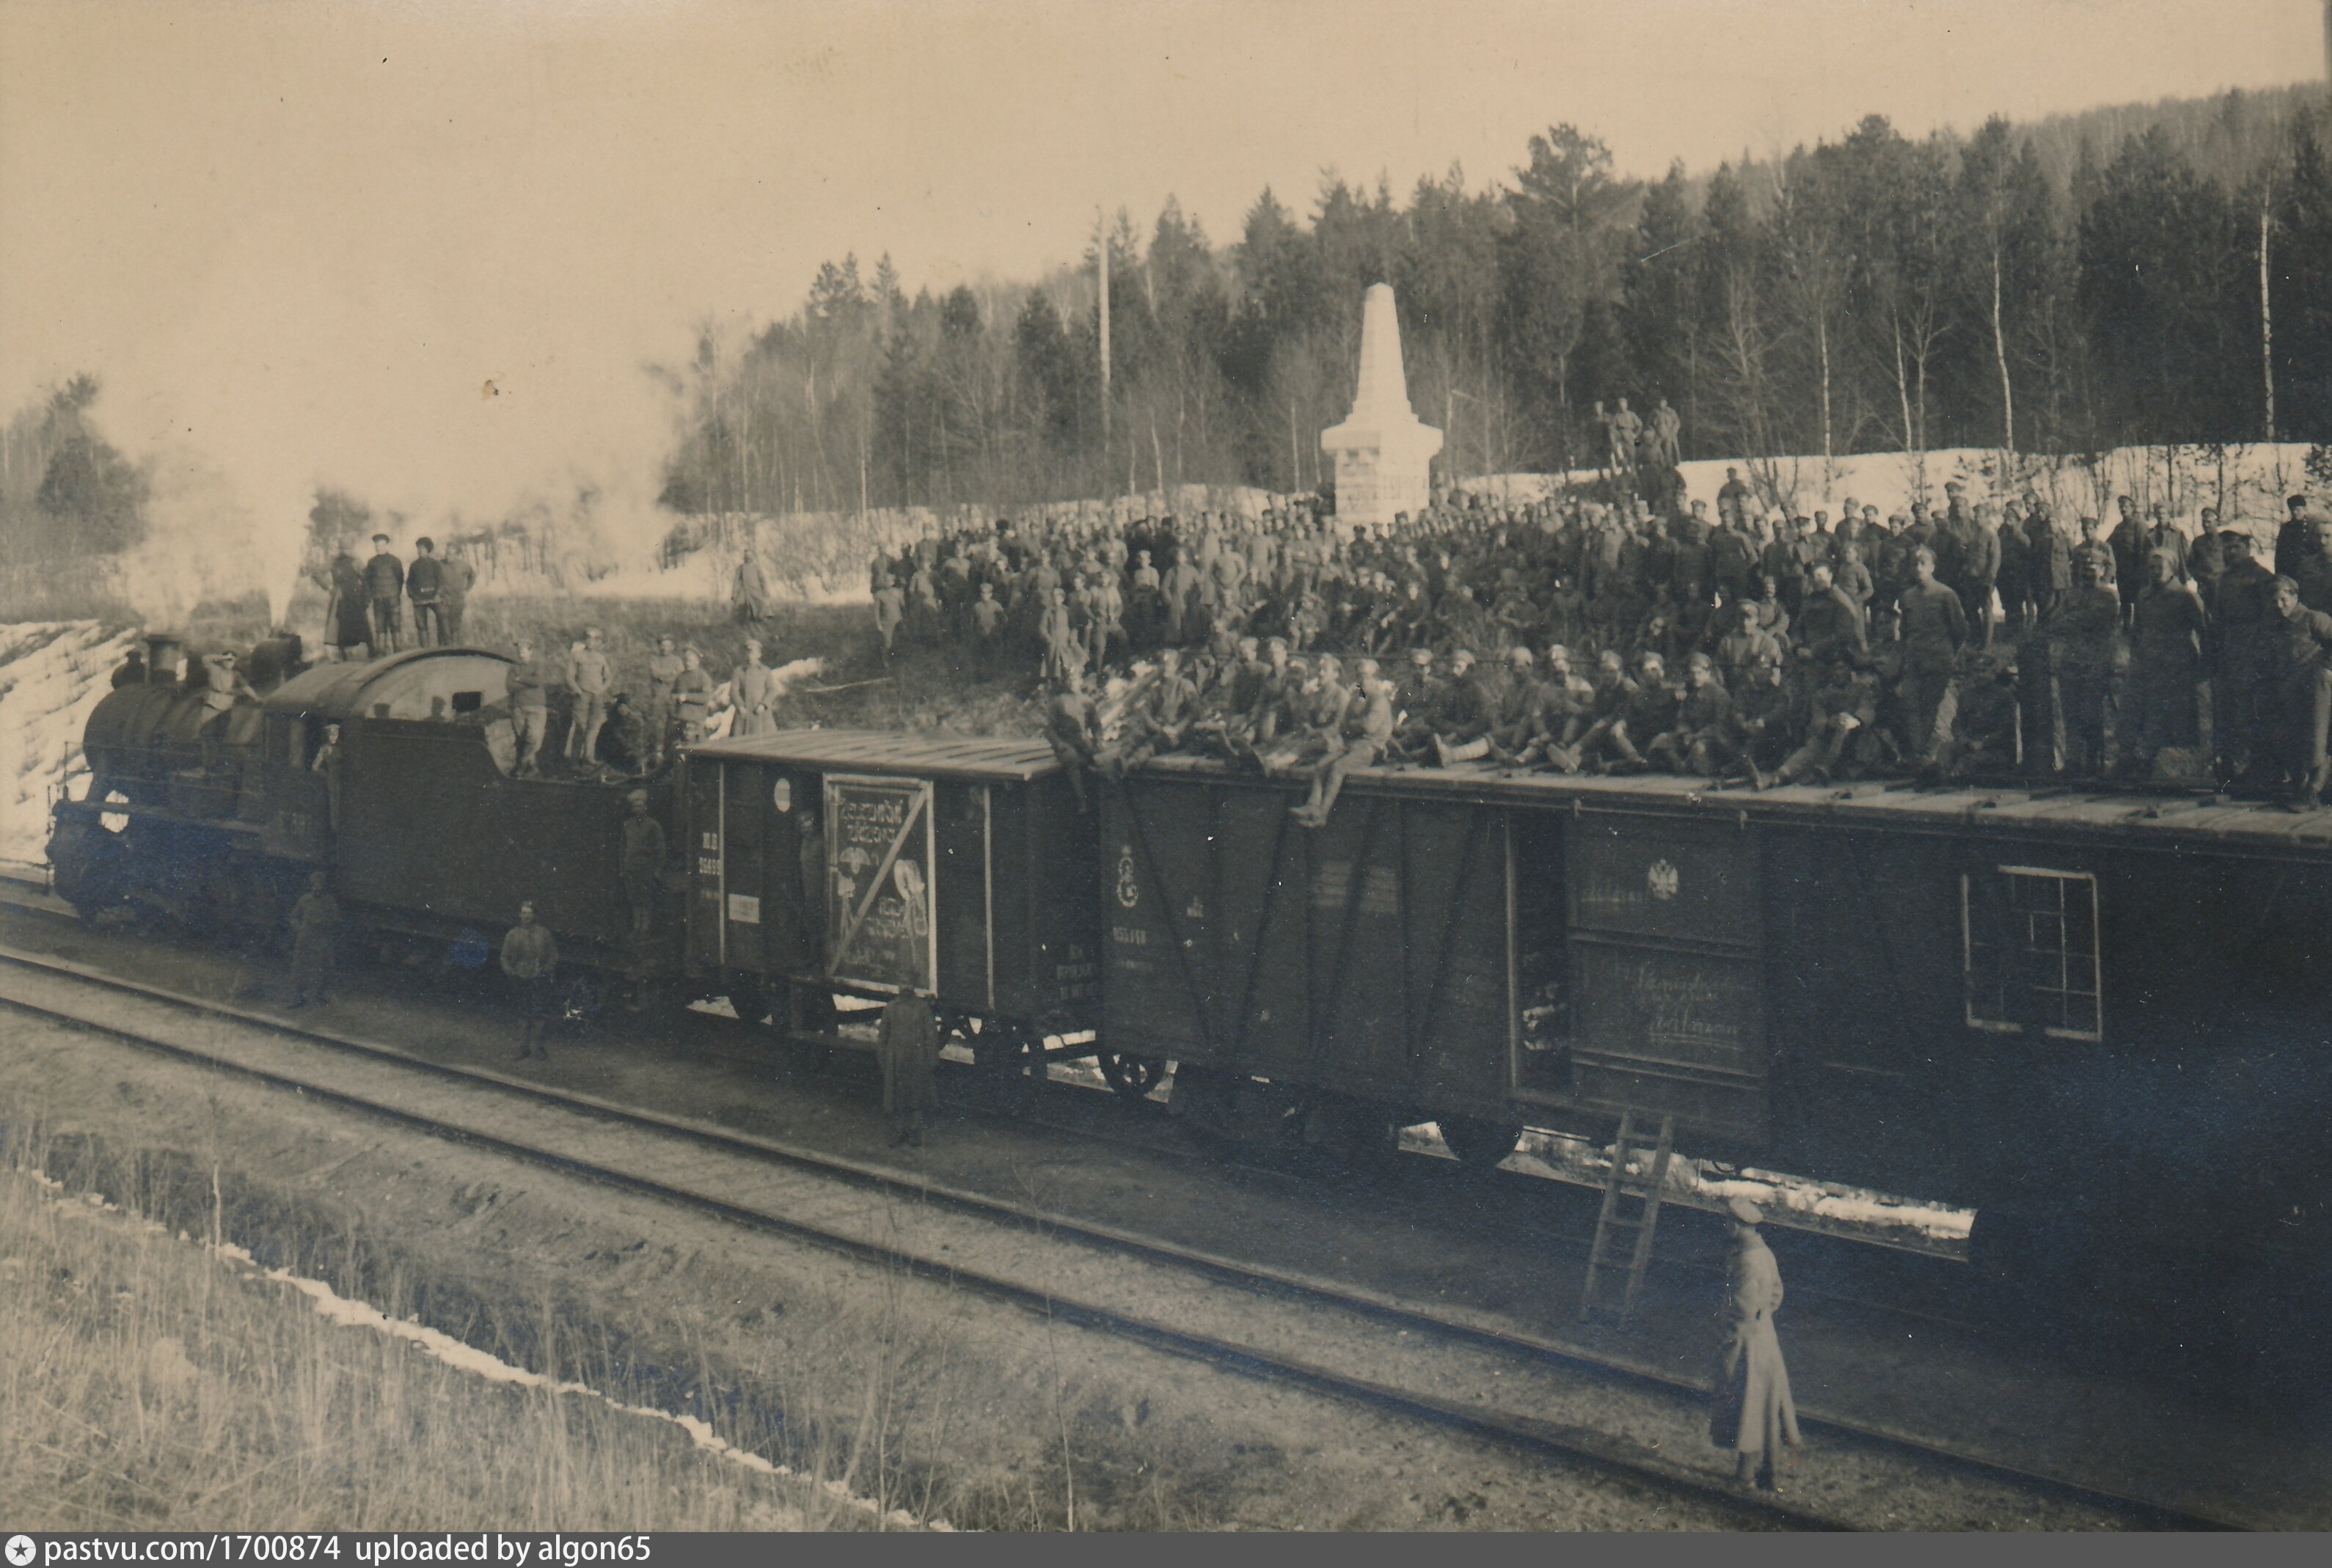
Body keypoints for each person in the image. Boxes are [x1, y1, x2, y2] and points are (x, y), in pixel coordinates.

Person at [1709, 1196, 1802, 1492]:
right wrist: (1764, 1314)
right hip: (1766, 1336)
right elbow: (1776, 1293)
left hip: (1745, 1340)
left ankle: (1746, 1475)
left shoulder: (1746, 1260)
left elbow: (1742, 1307)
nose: (1725, 1226)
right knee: (1767, 1405)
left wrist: (1730, 1338)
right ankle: (1769, 1473)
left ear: (1738, 1226)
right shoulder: (1765, 1253)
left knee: (1747, 1408)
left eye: (1728, 1222)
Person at [876, 986, 942, 1147]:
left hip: (917, 1058)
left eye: (908, 983)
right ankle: (898, 1132)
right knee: (897, 1097)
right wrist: (883, 1060)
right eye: (902, 983)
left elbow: (931, 1036)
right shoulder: (890, 1008)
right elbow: (882, 1037)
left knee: (916, 1096)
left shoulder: (923, 1009)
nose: (905, 987)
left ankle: (914, 1132)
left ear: (913, 987)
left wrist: (932, 1059)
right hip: (896, 1059)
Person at [501, 900, 560, 1060]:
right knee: (522, 1015)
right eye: (524, 913)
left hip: (539, 980)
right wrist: (511, 973)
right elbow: (504, 957)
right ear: (520, 916)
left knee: (540, 1016)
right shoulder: (513, 935)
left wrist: (545, 970)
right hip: (520, 979)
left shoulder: (544, 934)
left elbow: (554, 955)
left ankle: (539, 1049)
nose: (527, 917)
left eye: (530, 913)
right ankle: (523, 1049)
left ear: (535, 916)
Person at [285, 870, 339, 1010]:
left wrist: (325, 923)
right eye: (315, 884)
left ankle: (321, 995)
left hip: (322, 937)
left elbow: (336, 919)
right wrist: (299, 929)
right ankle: (298, 997)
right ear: (311, 885)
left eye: (320, 884)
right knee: (300, 967)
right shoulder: (305, 900)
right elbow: (293, 917)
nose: (317, 887)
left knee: (322, 966)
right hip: (305, 937)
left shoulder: (329, 902)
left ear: (324, 886)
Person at [619, 789, 666, 937]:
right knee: (634, 899)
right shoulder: (627, 825)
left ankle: (645, 928)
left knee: (645, 898)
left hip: (646, 868)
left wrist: (658, 869)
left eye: (640, 806)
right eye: (635, 807)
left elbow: (660, 848)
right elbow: (622, 848)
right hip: (630, 868)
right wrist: (622, 867)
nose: (637, 810)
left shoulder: (653, 826)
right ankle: (637, 927)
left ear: (645, 808)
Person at [566, 627, 613, 766]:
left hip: (597, 697)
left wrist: (602, 690)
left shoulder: (601, 658)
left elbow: (609, 677)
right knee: (580, 726)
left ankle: (588, 757)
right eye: (588, 638)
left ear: (599, 642)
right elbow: (569, 676)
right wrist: (578, 691)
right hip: (582, 695)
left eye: (595, 639)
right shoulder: (577, 655)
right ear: (585, 640)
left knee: (593, 727)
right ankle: (574, 760)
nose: (591, 641)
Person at [507, 640, 550, 777]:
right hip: (518, 707)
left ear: (530, 651)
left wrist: (519, 679)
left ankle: (521, 766)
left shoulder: (537, 665)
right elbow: (510, 687)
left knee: (533, 738)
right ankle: (532, 768)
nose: (521, 653)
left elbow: (537, 682)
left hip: (536, 707)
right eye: (519, 650)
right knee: (522, 739)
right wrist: (528, 682)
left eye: (524, 650)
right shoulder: (513, 668)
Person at [644, 635, 684, 769]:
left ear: (673, 647)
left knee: (673, 724)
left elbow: (680, 675)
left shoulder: (677, 660)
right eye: (662, 645)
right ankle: (656, 755)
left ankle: (671, 754)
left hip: (672, 697)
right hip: (658, 697)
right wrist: (670, 674)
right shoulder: (654, 659)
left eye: (668, 645)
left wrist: (664, 676)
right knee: (657, 725)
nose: (665, 648)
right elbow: (654, 673)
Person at [324, 548, 372, 659]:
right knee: (340, 625)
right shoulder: (334, 562)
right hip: (341, 597)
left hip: (355, 596)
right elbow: (317, 573)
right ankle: (343, 653)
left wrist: (366, 596)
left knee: (362, 624)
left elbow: (365, 578)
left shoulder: (356, 561)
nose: (344, 551)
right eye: (342, 549)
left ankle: (371, 651)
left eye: (346, 548)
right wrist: (329, 587)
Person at [362, 533, 404, 655]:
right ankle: (381, 654)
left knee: (395, 626)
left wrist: (395, 594)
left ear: (386, 545)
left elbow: (400, 579)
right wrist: (371, 596)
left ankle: (398, 653)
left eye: (380, 545)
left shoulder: (395, 561)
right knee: (380, 628)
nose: (378, 547)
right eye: (376, 545)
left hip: (392, 599)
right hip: (378, 600)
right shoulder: (371, 562)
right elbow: (368, 581)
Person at [732, 639, 777, 737]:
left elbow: (772, 690)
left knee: (765, 741)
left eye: (752, 653)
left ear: (759, 655)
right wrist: (740, 706)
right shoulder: (739, 671)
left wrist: (764, 704)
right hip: (744, 714)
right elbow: (734, 692)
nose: (749, 656)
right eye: (747, 653)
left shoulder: (766, 671)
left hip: (761, 714)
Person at [406, 536, 446, 646]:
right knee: (421, 625)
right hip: (419, 600)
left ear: (428, 549)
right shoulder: (414, 565)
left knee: (442, 620)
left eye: (422, 548)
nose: (420, 550)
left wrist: (438, 594)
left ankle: (444, 649)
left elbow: (441, 581)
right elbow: (409, 583)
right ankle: (425, 651)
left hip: (435, 598)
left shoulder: (435, 564)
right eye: (418, 548)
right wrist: (413, 596)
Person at [437, 543, 474, 642]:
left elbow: (472, 577)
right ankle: (443, 651)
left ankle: (455, 651)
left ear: (457, 555)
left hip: (458, 600)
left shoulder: (464, 565)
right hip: (444, 600)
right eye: (447, 553)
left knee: (455, 628)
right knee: (444, 628)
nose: (448, 556)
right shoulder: (440, 564)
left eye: (451, 554)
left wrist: (466, 589)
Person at [311, 720, 343, 830]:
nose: (333, 737)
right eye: (331, 735)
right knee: (333, 802)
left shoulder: (342, 748)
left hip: (341, 777)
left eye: (335, 735)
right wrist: (324, 774)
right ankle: (334, 828)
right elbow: (315, 766)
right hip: (331, 778)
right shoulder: (324, 749)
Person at [734, 548, 773, 625]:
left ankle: (761, 620)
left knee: (761, 604)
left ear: (752, 556)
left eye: (749, 555)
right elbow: (736, 581)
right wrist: (734, 593)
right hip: (744, 590)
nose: (747, 557)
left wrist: (765, 591)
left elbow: (763, 580)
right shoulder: (740, 568)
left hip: (755, 590)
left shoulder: (757, 567)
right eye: (746, 555)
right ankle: (742, 624)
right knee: (740, 607)